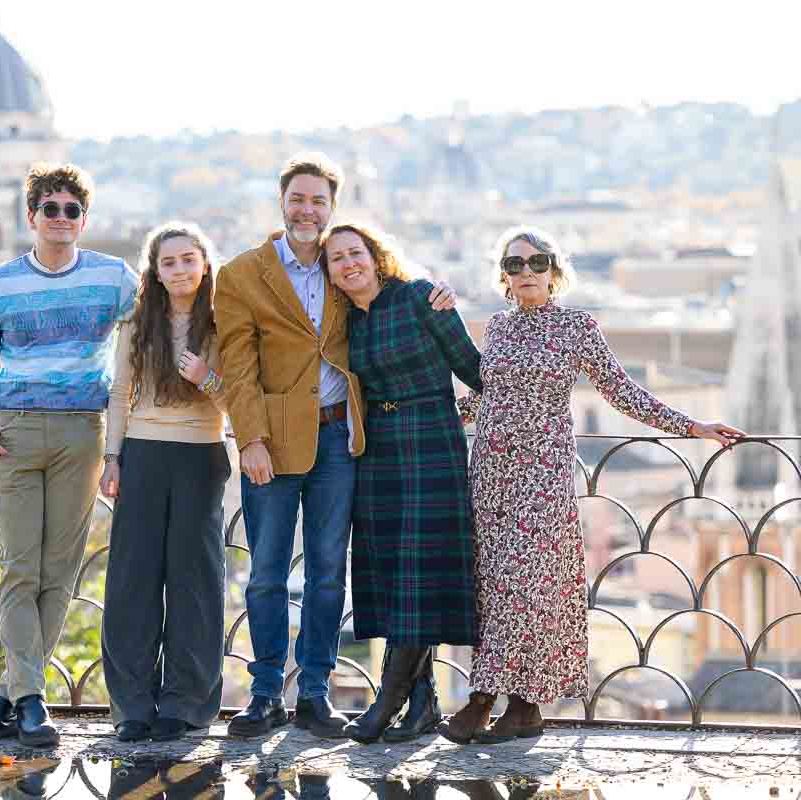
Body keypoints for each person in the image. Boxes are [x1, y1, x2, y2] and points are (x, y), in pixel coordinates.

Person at [440, 226, 744, 744]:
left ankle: (492, 700)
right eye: (515, 265)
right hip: (490, 475)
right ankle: (512, 706)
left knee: (527, 586)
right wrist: (421, 420)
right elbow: (485, 397)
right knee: (495, 588)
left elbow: (621, 391)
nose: (527, 272)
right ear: (503, 278)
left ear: (555, 272)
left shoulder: (577, 327)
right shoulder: (496, 329)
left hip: (542, 475)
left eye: (538, 262)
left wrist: (691, 427)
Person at [215, 153, 456, 738]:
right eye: (298, 199)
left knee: (328, 574)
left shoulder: (339, 266)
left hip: (341, 438)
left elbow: (390, 290)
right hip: (269, 443)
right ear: (281, 202)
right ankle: (266, 691)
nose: (307, 210)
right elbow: (238, 370)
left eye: (318, 201)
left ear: (331, 207)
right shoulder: (242, 274)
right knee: (267, 573)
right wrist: (250, 439)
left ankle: (315, 694)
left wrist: (438, 295)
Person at [0, 163, 139, 747]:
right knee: (19, 569)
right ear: (31, 216)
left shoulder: (115, 278)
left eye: (72, 209)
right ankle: (32, 699)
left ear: (83, 219)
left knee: (57, 573)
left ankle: (11, 697)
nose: (61, 218)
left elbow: (163, 329)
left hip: (83, 433)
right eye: (50, 208)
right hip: (14, 432)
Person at [321, 222, 483, 743]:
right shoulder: (345, 320)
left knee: (418, 570)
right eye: (337, 259)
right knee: (397, 577)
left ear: (375, 256)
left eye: (355, 253)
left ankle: (387, 700)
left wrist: (459, 416)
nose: (348, 264)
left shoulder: (418, 297)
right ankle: (422, 709)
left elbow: (477, 371)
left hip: (432, 440)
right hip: (378, 448)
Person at [100, 222, 230, 742]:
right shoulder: (138, 321)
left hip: (201, 456)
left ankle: (185, 704)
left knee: (194, 583)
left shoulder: (225, 322)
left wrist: (207, 379)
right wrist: (113, 457)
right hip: (144, 455)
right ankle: (132, 705)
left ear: (204, 262)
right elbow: (120, 392)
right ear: (155, 271)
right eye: (168, 262)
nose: (179, 270)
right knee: (133, 581)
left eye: (187, 259)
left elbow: (238, 399)